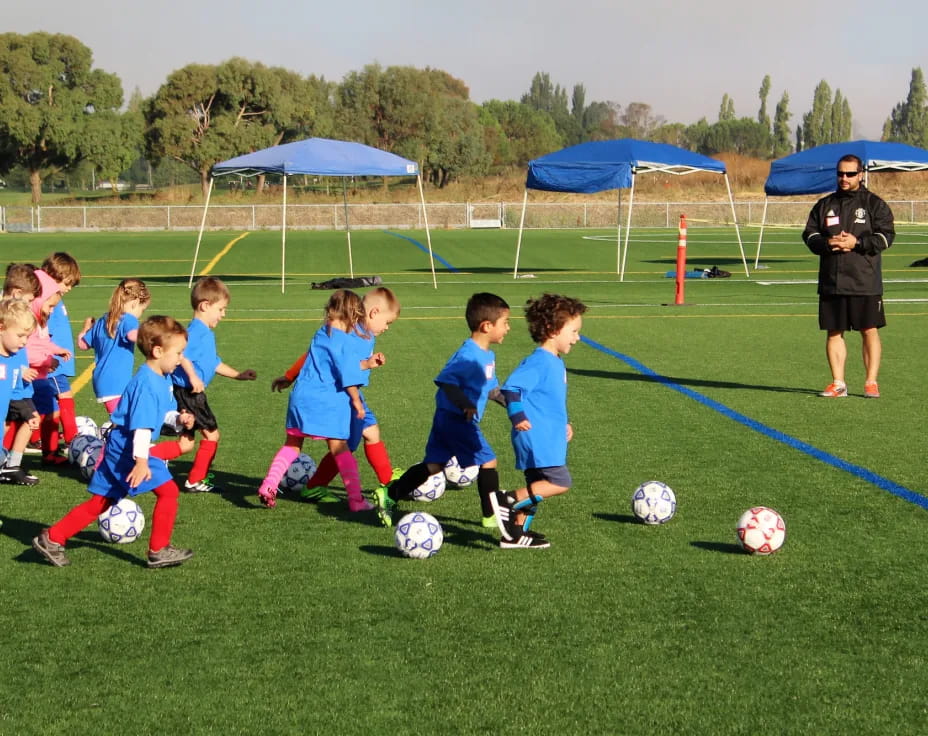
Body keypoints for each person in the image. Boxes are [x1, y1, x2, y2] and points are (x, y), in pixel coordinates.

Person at [32, 315, 196, 568]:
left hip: (121, 446)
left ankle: (52, 538)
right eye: (178, 353)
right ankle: (158, 549)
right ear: (158, 350)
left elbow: (157, 414)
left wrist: (177, 419)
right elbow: (141, 428)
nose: (180, 358)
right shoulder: (147, 384)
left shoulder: (157, 378)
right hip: (130, 450)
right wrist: (141, 462)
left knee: (101, 501)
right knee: (169, 492)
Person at [373, 292, 511, 528]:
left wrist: (517, 406)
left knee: (433, 466)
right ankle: (491, 515)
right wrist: (465, 404)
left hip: (448, 419)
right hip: (456, 419)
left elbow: (492, 389)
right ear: (487, 326)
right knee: (488, 461)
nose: (508, 328)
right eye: (505, 323)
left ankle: (390, 494)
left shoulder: (487, 355)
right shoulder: (468, 355)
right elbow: (447, 381)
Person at [270, 287, 401, 503]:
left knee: (371, 433)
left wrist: (290, 375)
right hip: (342, 397)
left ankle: (387, 479)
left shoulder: (365, 334)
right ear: (374, 313)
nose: (387, 328)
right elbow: (318, 356)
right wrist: (290, 375)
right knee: (345, 445)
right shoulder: (352, 333)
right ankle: (317, 485)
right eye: (387, 322)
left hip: (351, 396)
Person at [490, 294, 587, 550]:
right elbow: (512, 390)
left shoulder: (553, 361)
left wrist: (564, 424)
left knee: (536, 486)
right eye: (574, 331)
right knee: (560, 482)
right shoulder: (540, 361)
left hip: (549, 435)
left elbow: (548, 401)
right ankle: (507, 500)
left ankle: (515, 534)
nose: (577, 337)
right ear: (554, 330)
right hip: (538, 437)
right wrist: (517, 415)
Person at [802, 154, 895, 398]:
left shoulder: (874, 204)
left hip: (864, 280)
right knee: (834, 331)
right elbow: (809, 235)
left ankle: (871, 382)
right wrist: (826, 242)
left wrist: (857, 242)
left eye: (850, 174)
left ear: (861, 174)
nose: (844, 178)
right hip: (832, 280)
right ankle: (838, 383)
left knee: (869, 330)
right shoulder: (824, 204)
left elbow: (886, 236)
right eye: (840, 173)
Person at [169, 277, 256, 493]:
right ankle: (196, 479)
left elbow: (213, 362)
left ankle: (145, 458)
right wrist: (193, 377)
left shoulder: (205, 332)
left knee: (186, 442)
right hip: (189, 393)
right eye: (221, 309)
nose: (223, 314)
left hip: (189, 392)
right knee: (212, 435)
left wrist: (238, 375)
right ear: (205, 305)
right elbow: (181, 355)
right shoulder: (197, 331)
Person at [78, 278, 152, 417]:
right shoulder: (129, 319)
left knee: (124, 419)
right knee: (123, 422)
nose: (141, 314)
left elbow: (82, 344)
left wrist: (85, 329)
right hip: (117, 382)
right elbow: (132, 335)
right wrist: (152, 337)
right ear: (135, 303)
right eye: (143, 309)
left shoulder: (103, 320)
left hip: (102, 381)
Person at [24, 270, 71, 466]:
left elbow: (43, 344)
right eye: (50, 305)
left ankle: (48, 452)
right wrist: (45, 360)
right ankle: (48, 453)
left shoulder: (40, 322)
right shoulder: (28, 322)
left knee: (42, 413)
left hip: (40, 378)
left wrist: (56, 350)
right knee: (38, 415)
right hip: (33, 378)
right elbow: (27, 350)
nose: (52, 310)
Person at [1, 265, 42, 485]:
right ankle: (10, 465)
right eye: (20, 336)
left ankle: (8, 464)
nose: (24, 342)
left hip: (19, 388)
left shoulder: (14, 351)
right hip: (15, 389)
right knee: (30, 420)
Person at [40, 252, 82, 453]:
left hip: (56, 360)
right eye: (67, 283)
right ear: (53, 276)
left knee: (46, 402)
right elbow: (42, 332)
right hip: (52, 363)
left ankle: (42, 439)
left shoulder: (56, 299)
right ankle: (72, 438)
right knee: (62, 396)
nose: (69, 288)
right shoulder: (48, 300)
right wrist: (49, 356)